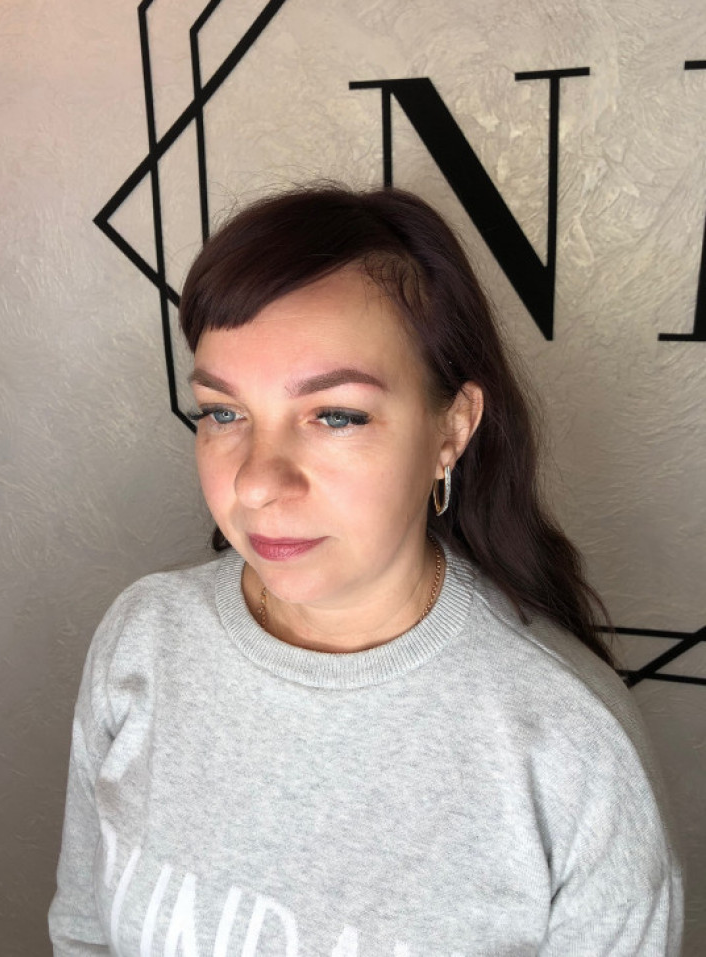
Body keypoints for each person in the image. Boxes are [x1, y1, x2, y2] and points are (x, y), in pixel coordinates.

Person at [49, 185, 684, 955]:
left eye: (336, 415)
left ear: (451, 428)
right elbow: (83, 931)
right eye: (223, 411)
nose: (257, 482)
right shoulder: (144, 638)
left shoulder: (569, 746)